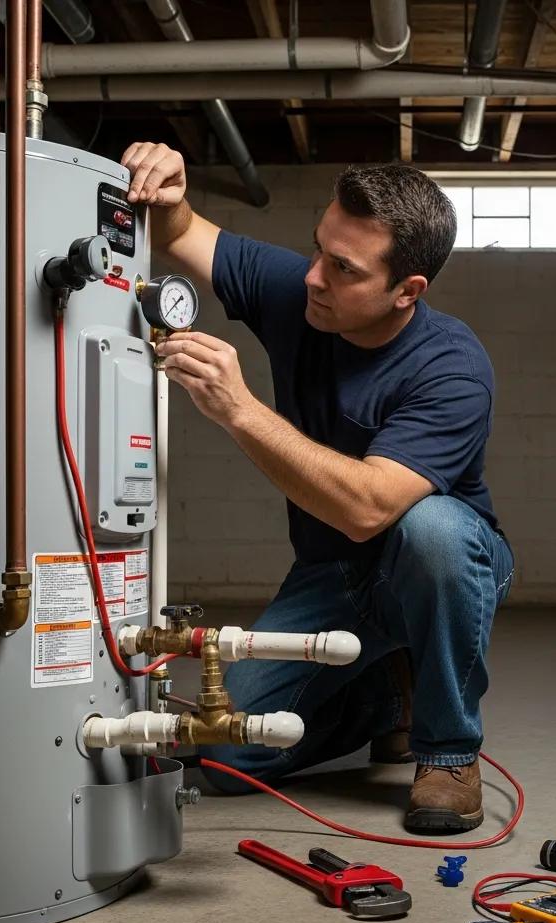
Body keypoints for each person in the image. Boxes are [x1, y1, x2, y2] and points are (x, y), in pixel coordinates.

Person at [121, 141, 514, 833]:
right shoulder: (303, 294)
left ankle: (447, 748)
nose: (312, 278)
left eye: (342, 267)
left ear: (407, 291)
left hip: (423, 563)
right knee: (227, 758)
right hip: (331, 573)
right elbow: (180, 231)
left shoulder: (451, 367)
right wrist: (170, 187)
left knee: (435, 532)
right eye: (316, 250)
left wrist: (238, 409)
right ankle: (385, 699)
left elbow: (368, 510)